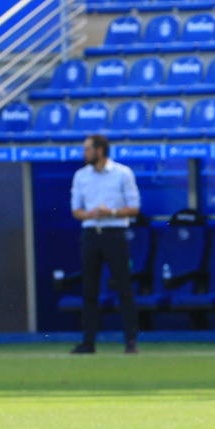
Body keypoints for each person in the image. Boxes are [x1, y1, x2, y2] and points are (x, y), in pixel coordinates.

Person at [69, 134, 140, 355]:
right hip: (91, 233)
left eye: (87, 149)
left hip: (115, 233)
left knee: (123, 287)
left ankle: (130, 341)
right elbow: (76, 210)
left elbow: (134, 208)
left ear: (99, 151)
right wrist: (91, 214)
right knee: (89, 288)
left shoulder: (122, 173)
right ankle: (88, 341)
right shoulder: (81, 176)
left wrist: (112, 212)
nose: (84, 154)